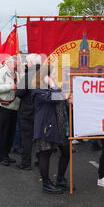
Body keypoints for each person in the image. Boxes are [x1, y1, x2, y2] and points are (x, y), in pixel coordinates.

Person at [32, 64, 68, 194]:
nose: (54, 76)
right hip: (44, 126)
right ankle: (46, 184)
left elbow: (61, 97)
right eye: (52, 74)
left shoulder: (49, 89)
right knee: (44, 153)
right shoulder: (38, 90)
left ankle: (58, 179)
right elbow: (57, 97)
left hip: (57, 127)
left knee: (63, 152)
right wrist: (52, 83)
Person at [15, 53, 41, 170]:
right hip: (41, 110)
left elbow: (19, 93)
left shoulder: (28, 75)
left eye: (27, 62)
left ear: (30, 63)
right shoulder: (45, 74)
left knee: (27, 137)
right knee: (40, 137)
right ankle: (41, 160)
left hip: (28, 110)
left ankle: (26, 163)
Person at [0, 57, 20, 166]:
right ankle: (2, 156)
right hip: (3, 106)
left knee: (10, 132)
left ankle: (7, 154)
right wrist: (10, 86)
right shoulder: (1, 72)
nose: (17, 66)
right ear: (9, 63)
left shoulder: (16, 73)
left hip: (13, 106)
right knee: (3, 132)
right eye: (15, 64)